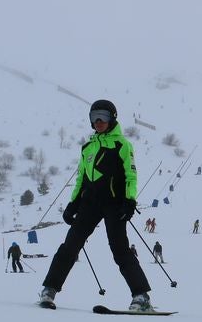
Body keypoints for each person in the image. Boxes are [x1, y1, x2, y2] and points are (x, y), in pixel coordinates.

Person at [39, 99, 152, 310]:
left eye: (103, 116)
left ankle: (141, 296)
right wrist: (73, 204)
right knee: (70, 246)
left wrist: (129, 200)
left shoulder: (122, 145)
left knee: (119, 249)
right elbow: (81, 177)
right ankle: (49, 289)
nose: (98, 121)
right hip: (89, 204)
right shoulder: (88, 148)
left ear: (112, 118)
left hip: (114, 203)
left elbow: (131, 175)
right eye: (94, 117)